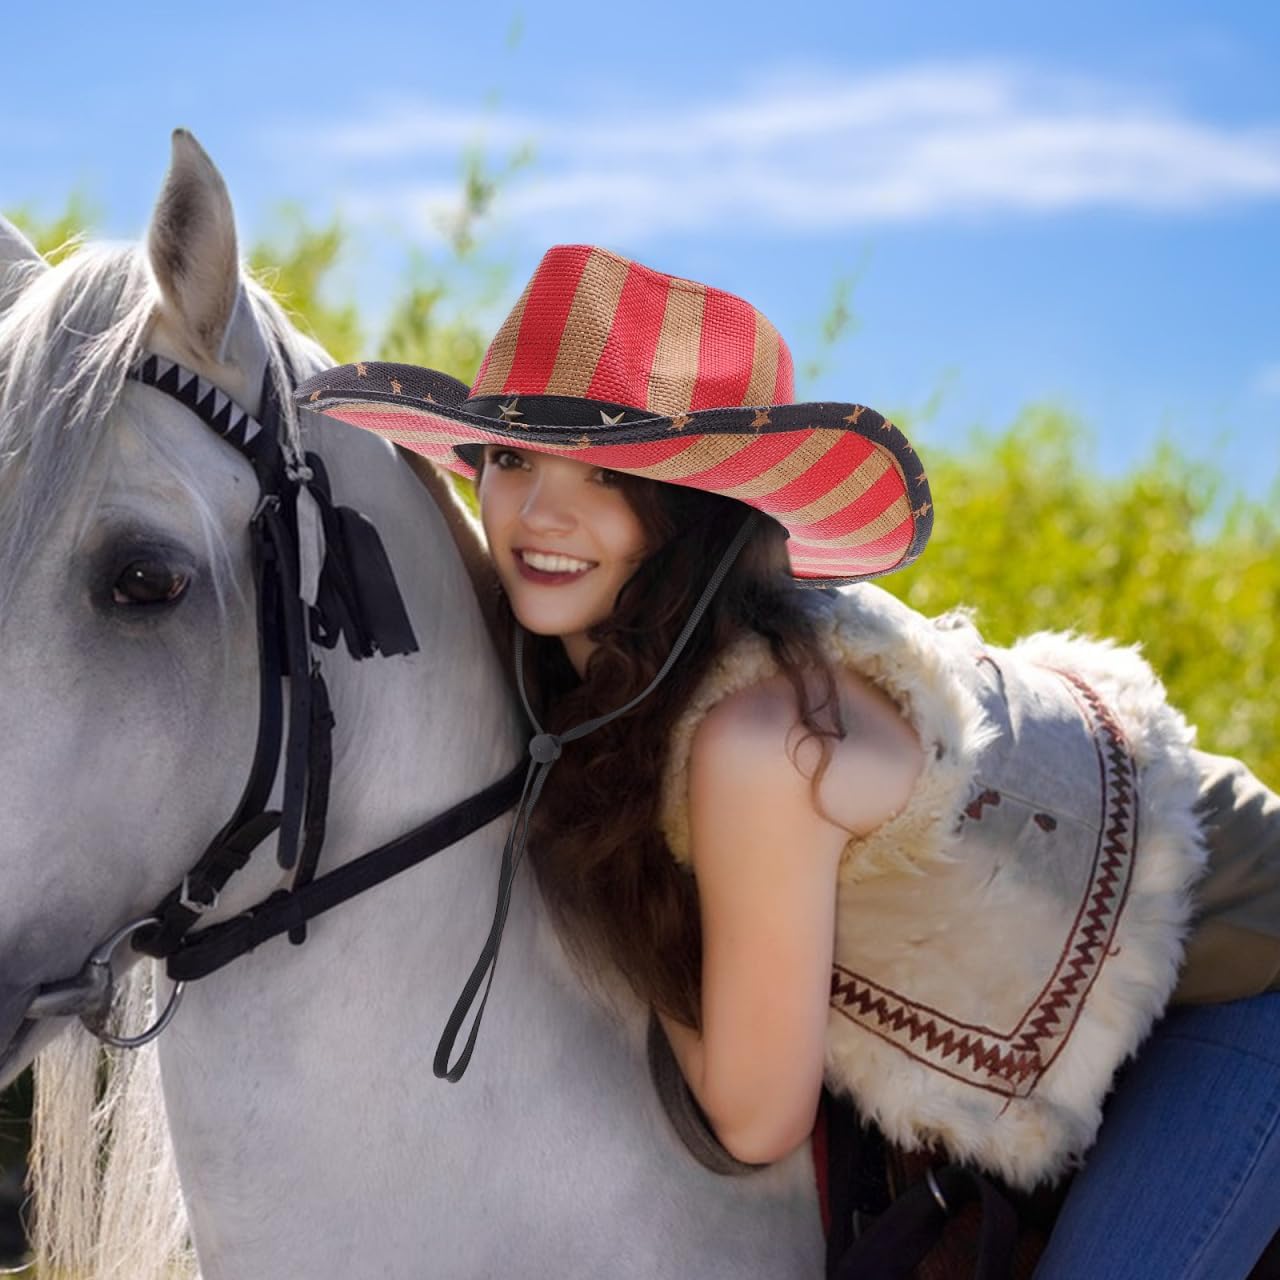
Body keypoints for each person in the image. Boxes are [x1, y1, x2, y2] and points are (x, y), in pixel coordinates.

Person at [295, 244, 1280, 1278]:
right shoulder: (618, 669)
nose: (540, 513)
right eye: (511, 458)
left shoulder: (759, 739)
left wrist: (597, 892)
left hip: (1239, 967)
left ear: (692, 510)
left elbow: (752, 1113)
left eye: (607, 474)